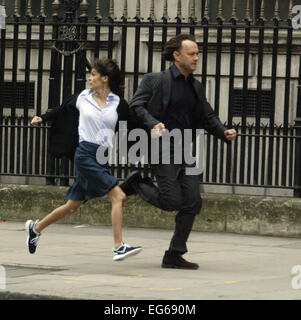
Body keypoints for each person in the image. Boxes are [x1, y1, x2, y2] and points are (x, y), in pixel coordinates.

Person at [122, 34, 237, 270]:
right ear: (177, 56)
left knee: (193, 202)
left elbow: (207, 116)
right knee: (171, 200)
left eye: (197, 54)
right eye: (191, 54)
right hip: (160, 147)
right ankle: (136, 185)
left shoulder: (195, 86)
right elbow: (136, 105)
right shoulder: (155, 80)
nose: (196, 58)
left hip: (185, 148)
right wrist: (153, 122)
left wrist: (224, 132)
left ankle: (174, 253)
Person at [27, 58, 142, 261]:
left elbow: (133, 123)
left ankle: (35, 228)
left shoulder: (118, 103)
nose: (90, 78)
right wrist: (42, 117)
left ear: (105, 79)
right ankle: (118, 246)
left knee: (72, 205)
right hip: (86, 154)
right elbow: (62, 109)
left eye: (94, 75)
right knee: (119, 196)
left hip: (102, 157)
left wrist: (154, 128)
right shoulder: (82, 97)